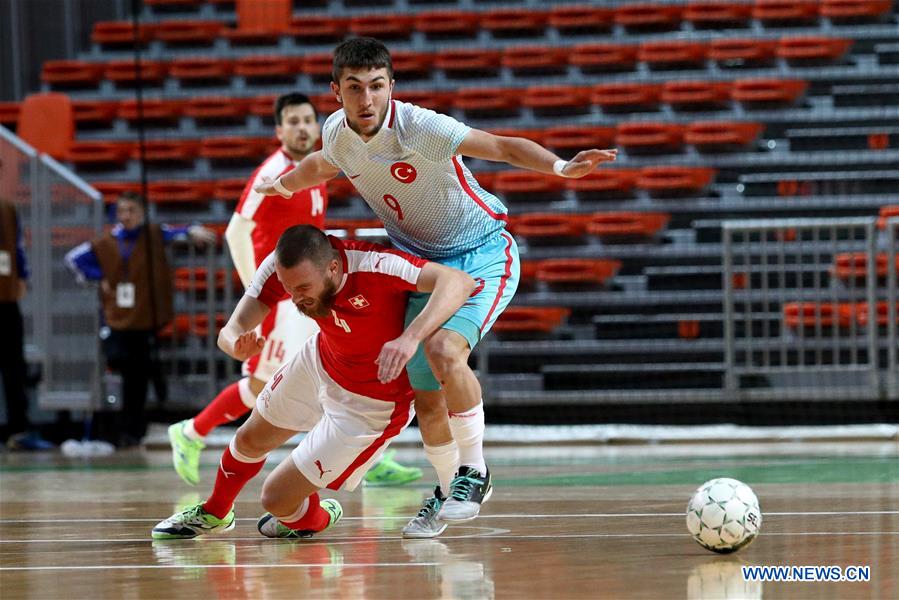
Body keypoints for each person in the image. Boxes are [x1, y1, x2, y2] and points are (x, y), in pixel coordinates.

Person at [253, 37, 618, 536]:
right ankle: (448, 490)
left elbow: (501, 147)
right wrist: (285, 184)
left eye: (377, 87)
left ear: (391, 87)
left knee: (446, 350)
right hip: (423, 264)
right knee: (425, 396)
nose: (367, 99)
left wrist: (560, 166)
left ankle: (476, 471)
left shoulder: (421, 127)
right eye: (355, 88)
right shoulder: (338, 133)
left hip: (483, 252)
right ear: (335, 91)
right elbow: (321, 164)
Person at [151, 224, 475, 540]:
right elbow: (229, 331)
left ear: (333, 268)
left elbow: (457, 282)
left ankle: (315, 519)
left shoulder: (376, 266)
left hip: (373, 403)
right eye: (287, 287)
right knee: (249, 439)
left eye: (303, 288)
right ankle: (215, 512)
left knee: (275, 500)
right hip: (319, 361)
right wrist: (234, 342)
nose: (294, 297)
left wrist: (410, 338)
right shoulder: (284, 268)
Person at [166, 92, 421, 487]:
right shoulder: (271, 173)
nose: (302, 127)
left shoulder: (313, 169)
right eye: (293, 121)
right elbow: (237, 231)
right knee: (264, 383)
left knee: (320, 376)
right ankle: (192, 432)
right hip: (284, 300)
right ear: (279, 129)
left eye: (307, 120)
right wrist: (259, 292)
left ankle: (367, 456)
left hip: (305, 298)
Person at [65, 192, 216, 448]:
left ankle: (134, 429)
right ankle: (121, 425)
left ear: (142, 212)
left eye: (132, 210)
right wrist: (99, 276)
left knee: (139, 377)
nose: (126, 216)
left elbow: (177, 232)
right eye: (122, 211)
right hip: (117, 319)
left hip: (145, 319)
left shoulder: (154, 234)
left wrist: (192, 230)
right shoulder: (106, 242)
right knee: (121, 365)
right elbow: (73, 260)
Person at [0, 198, 50, 450]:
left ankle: (18, 431)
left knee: (14, 366)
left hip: (6, 298)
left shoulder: (7, 209)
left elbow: (16, 246)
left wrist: (22, 276)